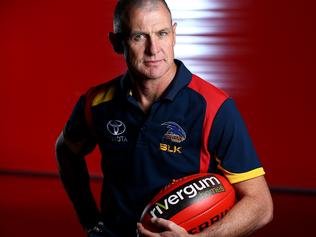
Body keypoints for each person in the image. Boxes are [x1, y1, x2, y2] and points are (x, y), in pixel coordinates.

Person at [55, 0, 273, 236]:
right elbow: (66, 151)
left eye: (162, 33)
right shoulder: (97, 102)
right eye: (139, 36)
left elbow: (260, 205)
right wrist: (90, 220)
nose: (153, 49)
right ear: (117, 43)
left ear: (174, 35)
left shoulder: (214, 107)